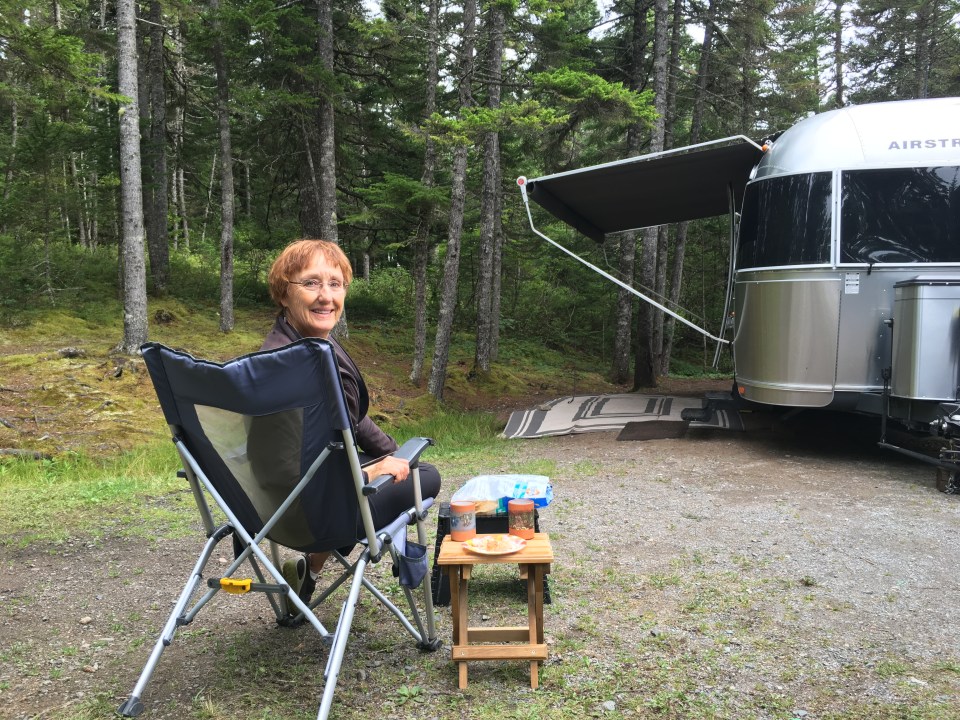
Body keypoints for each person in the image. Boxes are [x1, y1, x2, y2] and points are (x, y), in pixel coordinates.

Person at [261, 238, 442, 609]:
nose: (326, 296)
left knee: (403, 465)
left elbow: (351, 422)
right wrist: (377, 467)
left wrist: (391, 453)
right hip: (316, 513)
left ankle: (309, 572)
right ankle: (313, 565)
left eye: (335, 283)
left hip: (268, 512)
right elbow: (304, 462)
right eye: (311, 283)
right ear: (283, 293)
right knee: (427, 476)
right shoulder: (299, 367)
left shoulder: (284, 348)